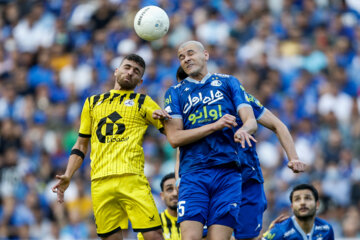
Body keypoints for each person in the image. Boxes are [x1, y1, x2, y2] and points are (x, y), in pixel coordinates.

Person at [174, 65, 307, 240]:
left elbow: (278, 125)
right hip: (208, 178)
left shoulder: (237, 98)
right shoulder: (185, 108)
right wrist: (179, 180)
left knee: (247, 236)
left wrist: (293, 157)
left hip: (247, 178)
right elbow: (182, 147)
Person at [52, 54, 171, 240]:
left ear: (140, 81)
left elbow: (173, 133)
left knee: (154, 235)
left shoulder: (144, 101)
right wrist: (68, 174)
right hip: (100, 181)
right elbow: (81, 144)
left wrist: (166, 119)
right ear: (117, 71)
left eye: (136, 71)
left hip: (132, 178)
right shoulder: (92, 103)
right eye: (127, 67)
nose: (130, 72)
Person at [161, 40, 258, 240]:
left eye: (190, 53)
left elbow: (250, 120)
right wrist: (215, 125)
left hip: (228, 172)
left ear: (205, 55)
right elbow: (175, 138)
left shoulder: (229, 82)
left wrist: (244, 130)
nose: (186, 59)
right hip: (194, 173)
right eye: (181, 57)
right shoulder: (175, 93)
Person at [262, 184, 335, 240]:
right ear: (292, 207)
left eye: (307, 198)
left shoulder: (326, 228)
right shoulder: (280, 230)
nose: (302, 202)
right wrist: (266, 235)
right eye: (297, 199)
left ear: (317, 204)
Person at [138, 173, 180, 240]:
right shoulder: (152, 225)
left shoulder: (197, 221)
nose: (175, 193)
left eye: (178, 188)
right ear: (162, 196)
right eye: (169, 189)